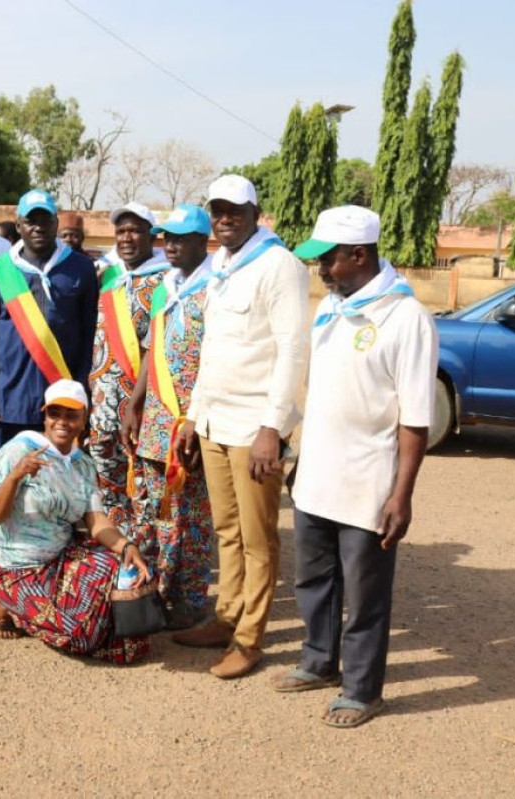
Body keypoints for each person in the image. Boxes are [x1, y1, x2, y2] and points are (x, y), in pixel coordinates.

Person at [274, 206, 436, 728]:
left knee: (364, 594)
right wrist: (300, 458)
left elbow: (415, 418)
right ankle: (319, 661)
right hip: (318, 475)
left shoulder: (405, 317)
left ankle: (363, 691)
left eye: (328, 259)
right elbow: (324, 396)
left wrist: (401, 494)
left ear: (360, 254)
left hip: (369, 482)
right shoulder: (332, 309)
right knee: (313, 580)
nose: (320, 269)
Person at [171, 175, 309, 680]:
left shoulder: (280, 266)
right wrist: (192, 415)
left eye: (235, 210)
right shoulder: (222, 267)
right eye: (217, 210)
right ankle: (225, 618)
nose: (224, 218)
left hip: (254, 425)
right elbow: (214, 349)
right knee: (225, 529)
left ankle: (250, 639)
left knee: (257, 537)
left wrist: (273, 426)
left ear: (256, 213)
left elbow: (292, 349)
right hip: (213, 420)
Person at [0, 379, 152, 664]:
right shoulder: (17, 451)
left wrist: (126, 546)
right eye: (55, 413)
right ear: (44, 417)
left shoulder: (82, 464)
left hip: (57, 559)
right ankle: (1, 601)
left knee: (125, 571)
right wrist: (15, 477)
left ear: (84, 420)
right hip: (12, 564)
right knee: (82, 634)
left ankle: (31, 608)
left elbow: (96, 522)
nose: (62, 422)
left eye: (72, 415)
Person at [122, 205, 214, 630]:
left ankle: (191, 599)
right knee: (157, 513)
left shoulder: (215, 288)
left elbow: (218, 360)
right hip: (157, 422)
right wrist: (135, 403)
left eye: (179, 238)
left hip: (193, 423)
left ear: (202, 241)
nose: (170, 245)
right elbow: (150, 348)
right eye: (166, 238)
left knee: (192, 515)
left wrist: (197, 418)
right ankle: (158, 591)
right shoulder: (165, 287)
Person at [0, 189, 98, 447]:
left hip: (64, 398)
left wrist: (85, 386)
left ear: (56, 223)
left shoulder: (80, 268)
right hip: (11, 397)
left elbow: (90, 335)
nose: (38, 227)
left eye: (45, 220)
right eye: (31, 220)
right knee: (13, 475)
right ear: (18, 225)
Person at [87, 202, 169, 532]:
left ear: (152, 236)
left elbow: (157, 346)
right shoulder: (108, 278)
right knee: (107, 487)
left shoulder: (166, 281)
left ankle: (144, 562)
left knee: (145, 490)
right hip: (102, 409)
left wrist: (136, 402)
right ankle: (119, 554)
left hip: (144, 408)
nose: (126, 237)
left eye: (135, 230)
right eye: (120, 231)